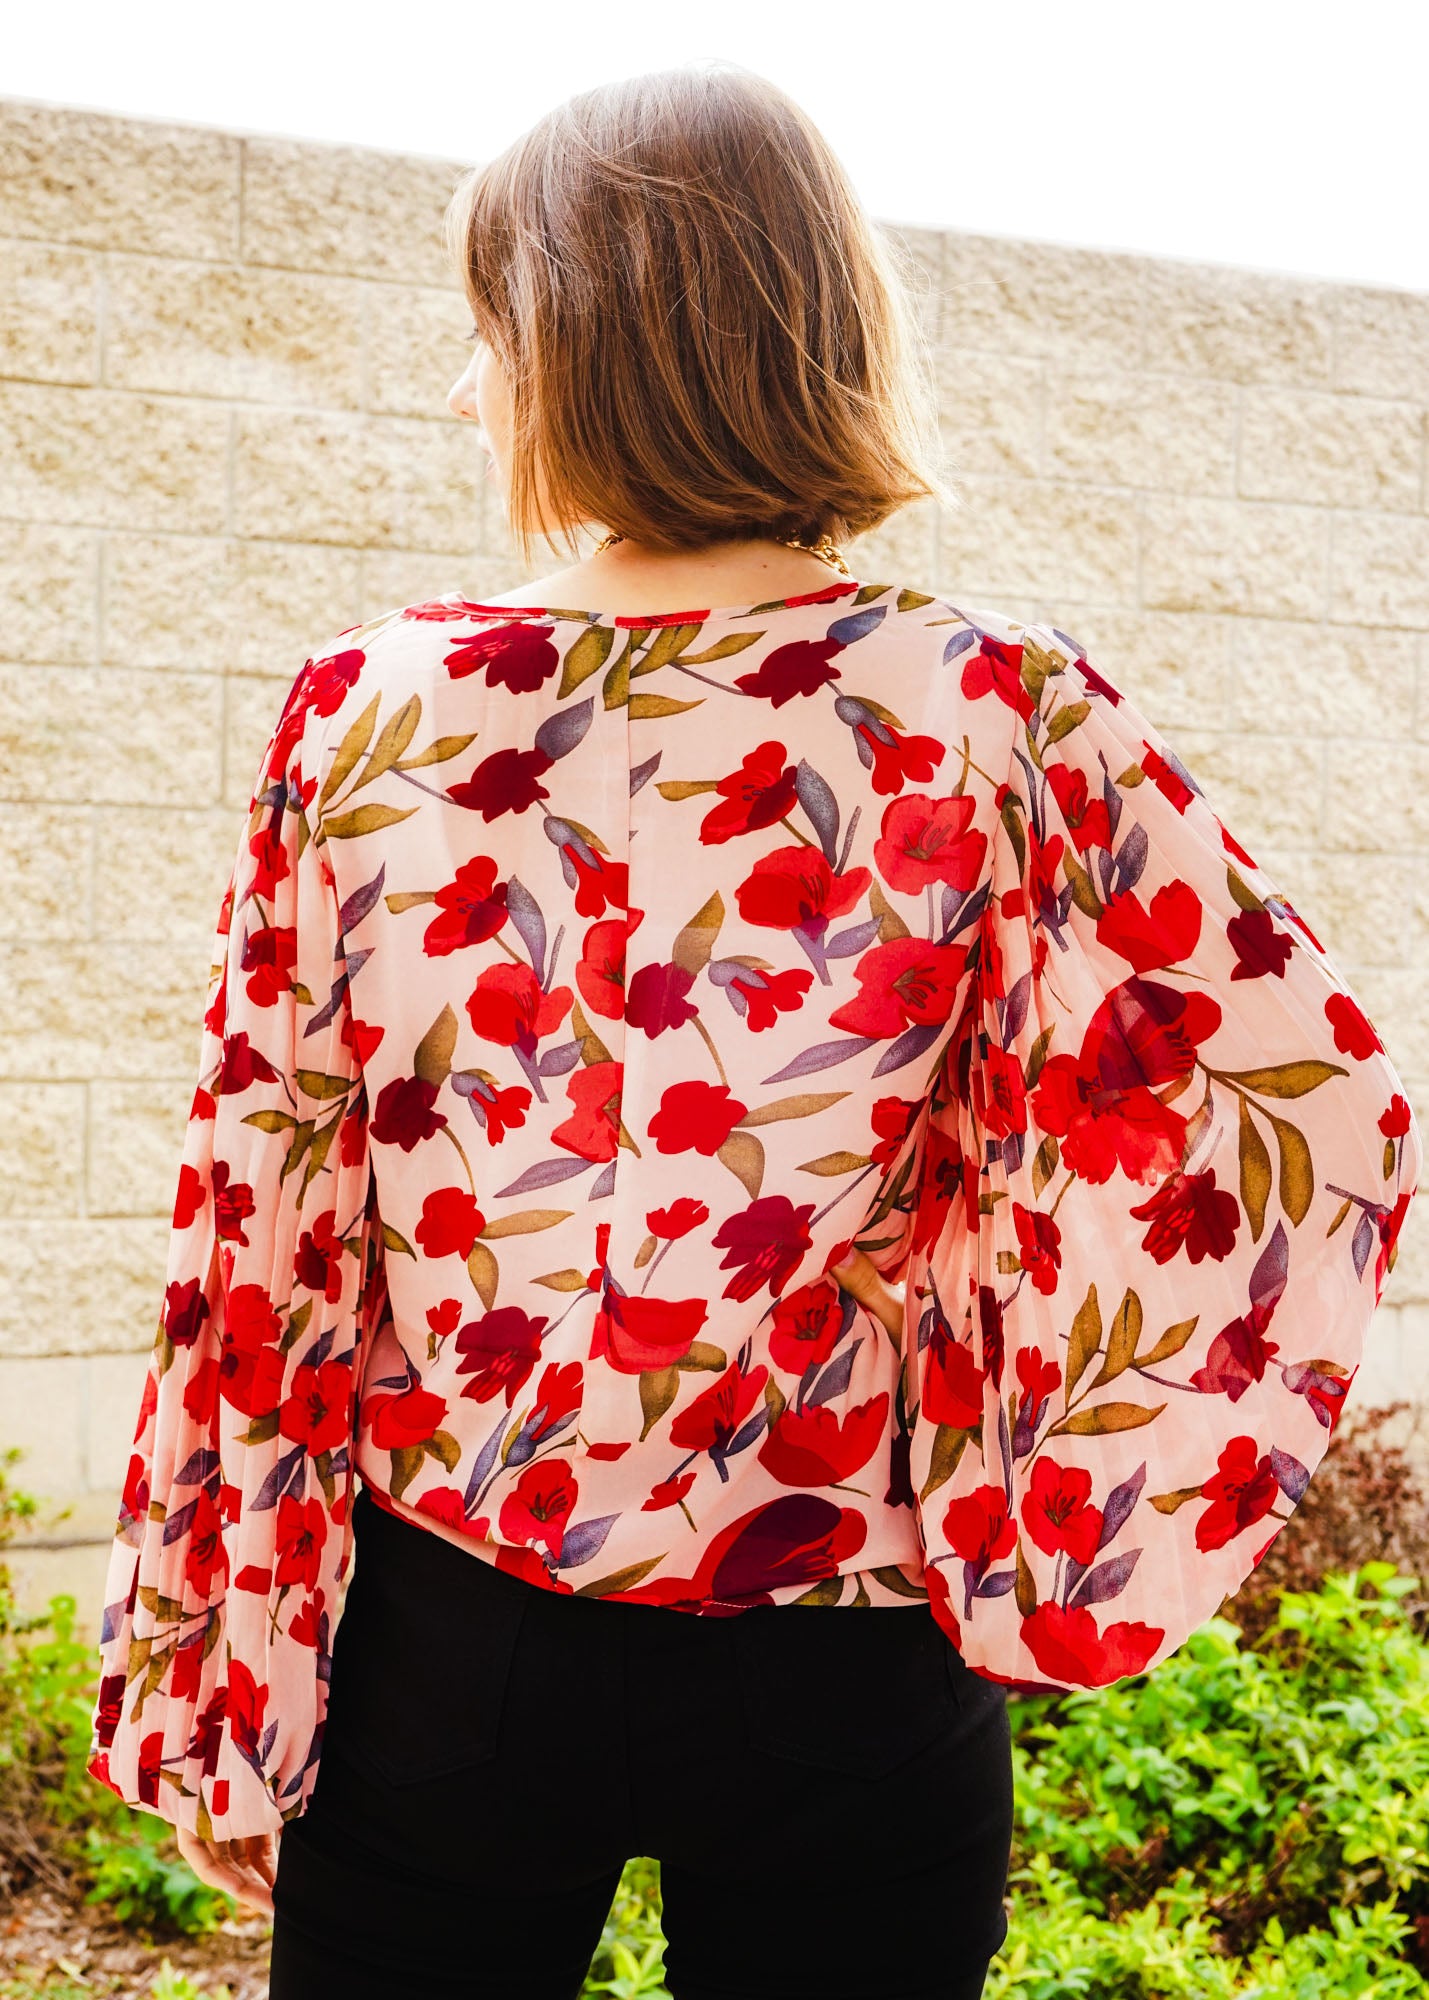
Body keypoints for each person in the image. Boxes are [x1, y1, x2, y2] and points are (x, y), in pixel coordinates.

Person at [83, 60, 1422, 2000]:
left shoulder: (365, 711)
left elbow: (264, 1230)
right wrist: (1023, 1441)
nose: (466, 389)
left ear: (569, 339)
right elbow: (1294, 1107)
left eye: (484, 328)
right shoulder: (991, 709)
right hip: (848, 1648)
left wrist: (228, 1658)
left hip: (450, 1659)